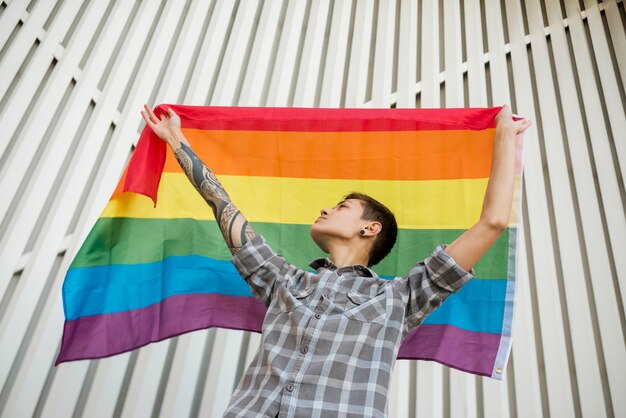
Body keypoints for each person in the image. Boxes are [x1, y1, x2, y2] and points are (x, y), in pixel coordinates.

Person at [141, 104, 531, 417]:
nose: (326, 210)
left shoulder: (400, 298)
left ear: (370, 229)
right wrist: (176, 140)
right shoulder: (284, 282)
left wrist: (502, 135)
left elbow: (492, 222)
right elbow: (221, 204)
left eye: (343, 207)